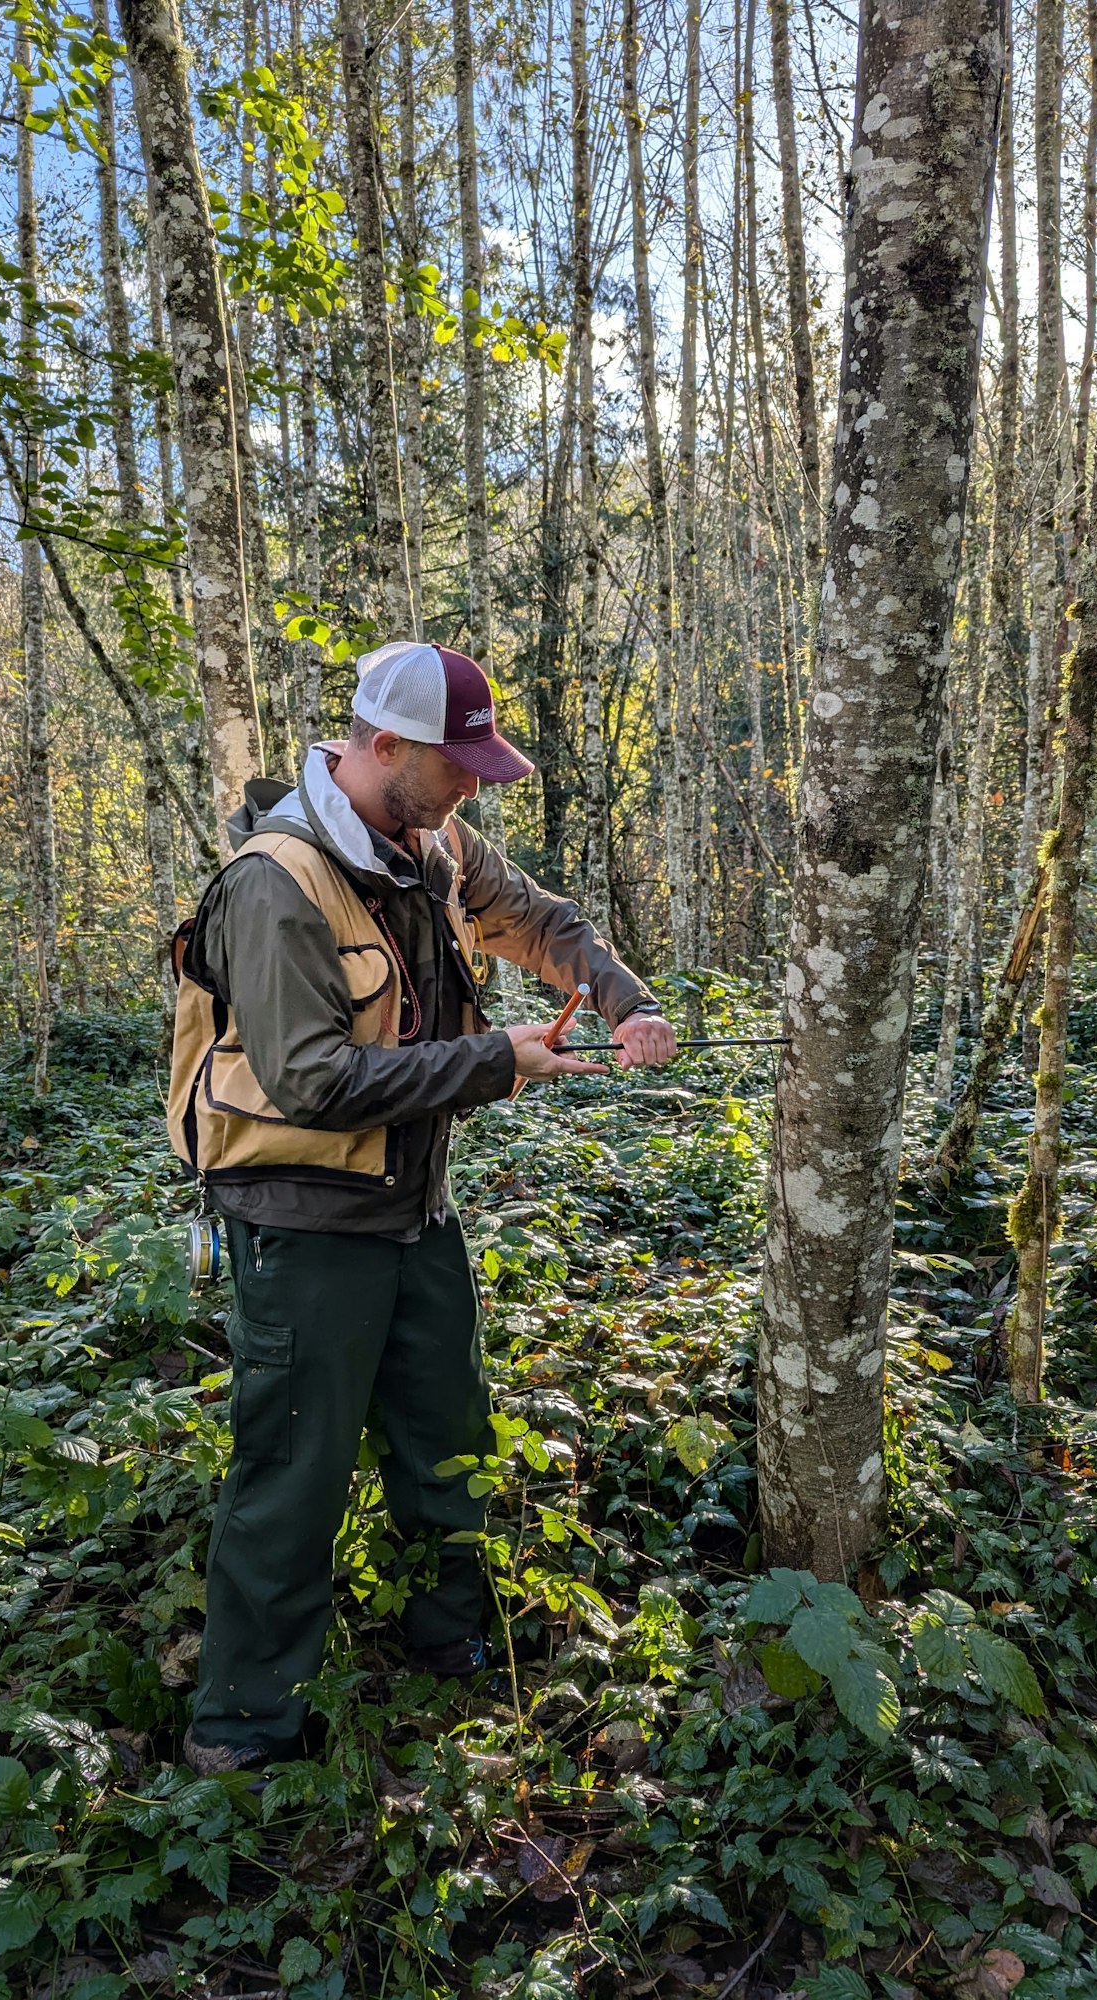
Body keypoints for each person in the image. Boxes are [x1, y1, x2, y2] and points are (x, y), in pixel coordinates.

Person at [166, 639, 678, 1771]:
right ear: (384, 746)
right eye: (462, 762)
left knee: (448, 1434)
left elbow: (543, 921)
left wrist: (622, 999)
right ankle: (242, 1731)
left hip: (414, 1203)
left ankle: (454, 1634)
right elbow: (314, 1083)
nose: (478, 784)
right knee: (291, 1472)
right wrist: (498, 1058)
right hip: (299, 1219)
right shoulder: (275, 882)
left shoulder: (432, 840)